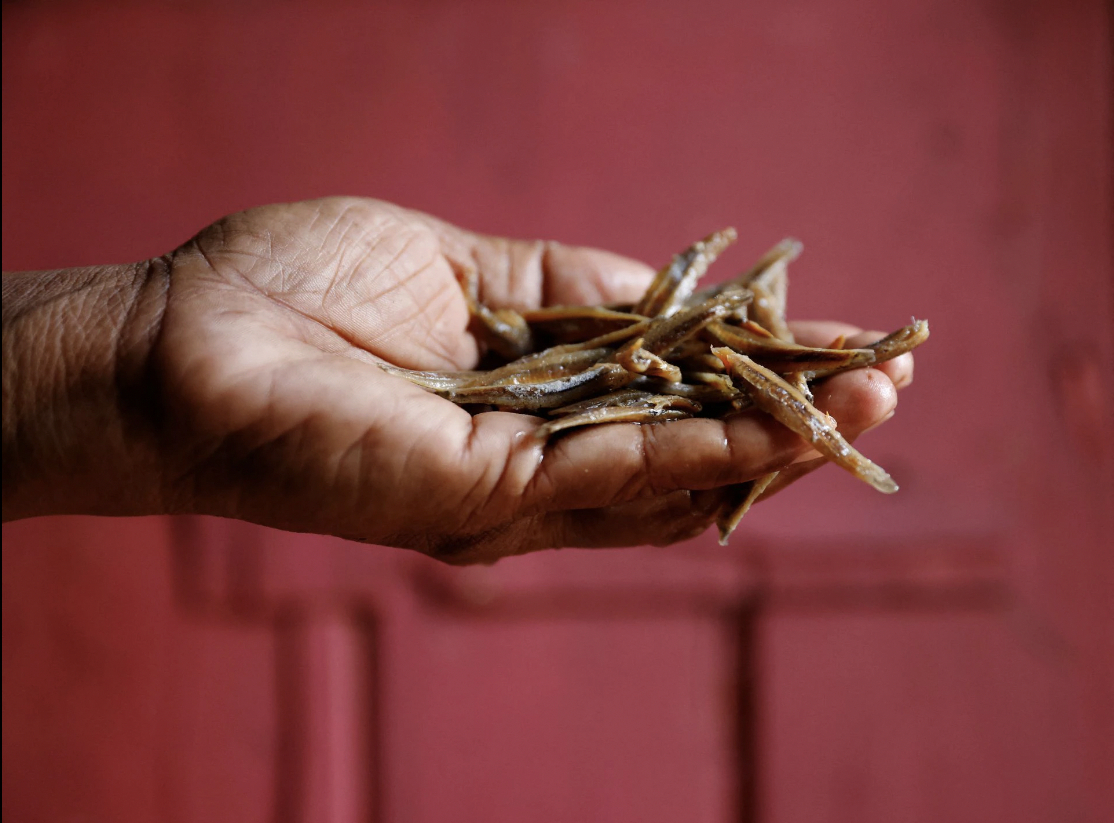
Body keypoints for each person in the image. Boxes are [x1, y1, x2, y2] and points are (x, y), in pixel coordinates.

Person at [1, 197, 911, 563]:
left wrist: (142, 342)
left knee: (838, 389)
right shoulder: (569, 353)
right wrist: (148, 338)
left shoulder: (704, 348)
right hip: (531, 380)